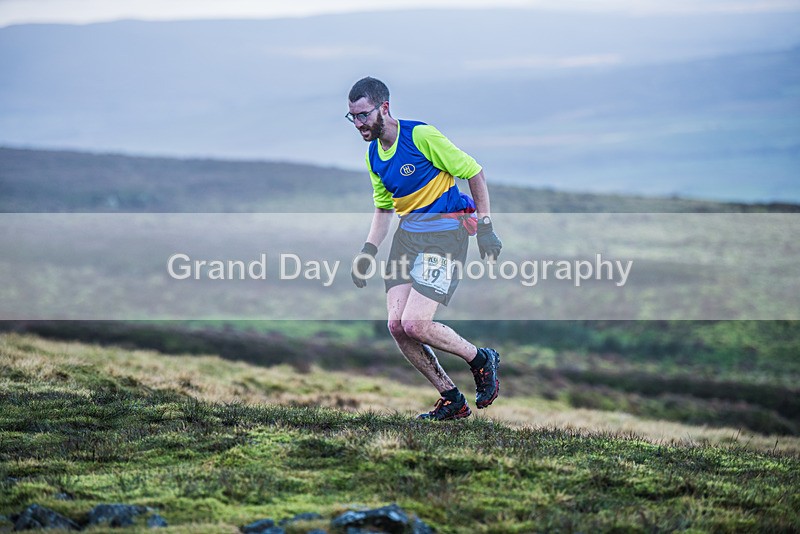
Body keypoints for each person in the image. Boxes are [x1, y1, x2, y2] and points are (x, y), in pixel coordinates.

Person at [346, 76, 503, 421]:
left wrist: (486, 228)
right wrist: (368, 252)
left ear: (384, 108)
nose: (358, 124)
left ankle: (481, 359)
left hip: (445, 235)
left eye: (363, 115)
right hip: (408, 236)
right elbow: (383, 209)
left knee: (416, 324)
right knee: (397, 326)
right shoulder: (374, 155)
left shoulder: (420, 136)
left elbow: (474, 172)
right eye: (352, 117)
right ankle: (452, 399)